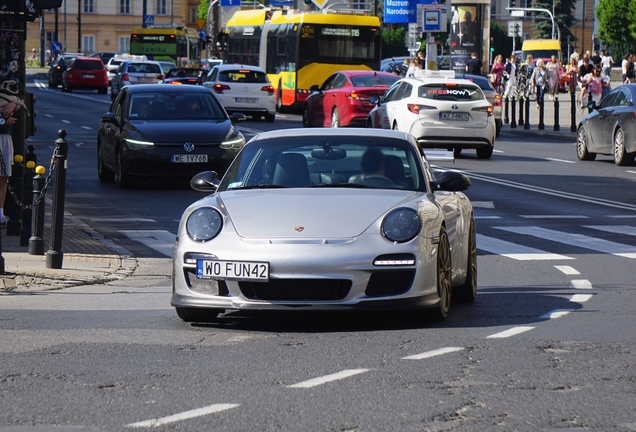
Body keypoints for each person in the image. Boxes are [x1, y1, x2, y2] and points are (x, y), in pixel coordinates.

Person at [0, 83, 26, 226]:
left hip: (5, 138)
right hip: (3, 134)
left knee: (3, 177)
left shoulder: (9, 97)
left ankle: (1, 213)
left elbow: (20, 103)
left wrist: (12, 104)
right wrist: (4, 121)